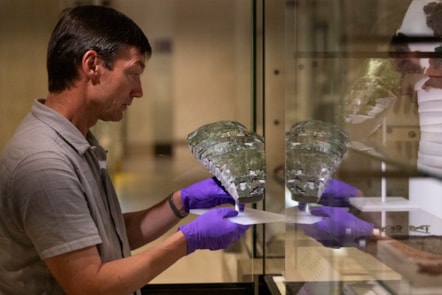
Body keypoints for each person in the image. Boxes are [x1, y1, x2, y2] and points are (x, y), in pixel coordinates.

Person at [0, 5, 250, 295]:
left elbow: (110, 235)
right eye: (133, 73)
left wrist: (182, 202)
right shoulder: (45, 162)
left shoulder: (76, 139)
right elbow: (89, 285)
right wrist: (188, 241)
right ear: (92, 65)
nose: (138, 90)